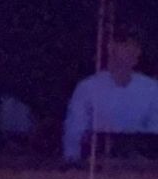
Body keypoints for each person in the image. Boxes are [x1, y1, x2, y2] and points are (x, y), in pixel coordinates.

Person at [63, 32, 158, 163]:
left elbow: (154, 133)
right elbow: (73, 136)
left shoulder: (152, 88)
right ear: (110, 50)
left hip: (141, 169)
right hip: (96, 168)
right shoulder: (87, 88)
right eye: (124, 46)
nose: (130, 52)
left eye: (134, 47)